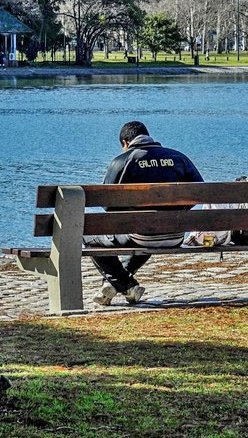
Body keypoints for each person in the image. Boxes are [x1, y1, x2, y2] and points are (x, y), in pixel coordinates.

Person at [86, 121, 204, 306]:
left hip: (141, 235)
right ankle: (115, 284)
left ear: (126, 142)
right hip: (176, 235)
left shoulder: (122, 161)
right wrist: (178, 214)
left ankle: (125, 284)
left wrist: (128, 218)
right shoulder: (179, 158)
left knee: (86, 235)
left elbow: (107, 205)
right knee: (146, 227)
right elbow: (200, 193)